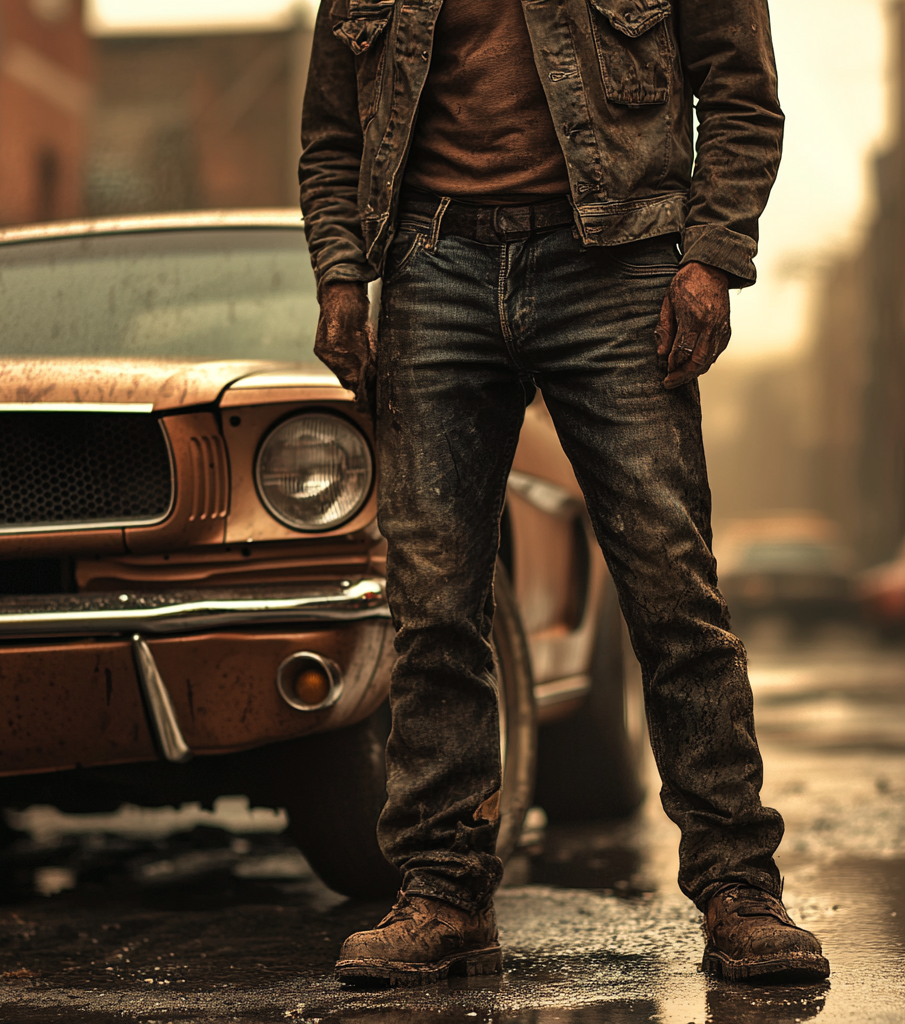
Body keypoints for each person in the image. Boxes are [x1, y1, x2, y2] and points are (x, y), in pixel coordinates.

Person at [299, 0, 830, 986]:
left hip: (618, 260)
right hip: (431, 262)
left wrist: (710, 259)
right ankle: (442, 894)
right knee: (433, 603)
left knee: (671, 587)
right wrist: (340, 278)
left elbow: (743, 95)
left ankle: (740, 889)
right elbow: (332, 131)